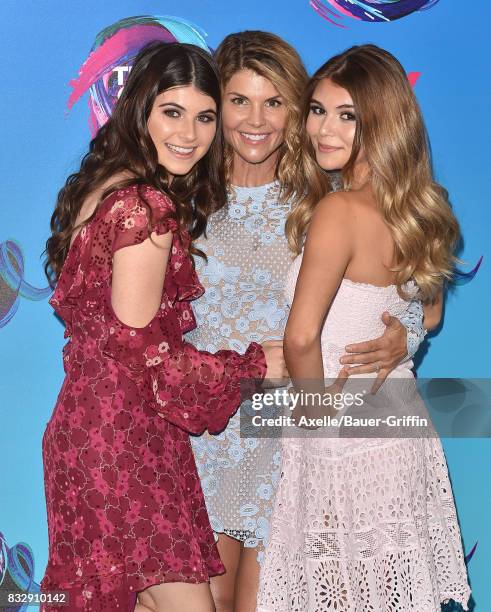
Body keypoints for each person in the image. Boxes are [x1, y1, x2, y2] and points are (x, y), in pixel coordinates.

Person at [41, 42, 286, 612]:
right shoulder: (144, 208)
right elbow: (144, 354)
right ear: (141, 110)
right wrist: (253, 366)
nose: (190, 134)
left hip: (96, 428)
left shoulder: (105, 186)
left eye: (204, 117)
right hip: (119, 442)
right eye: (172, 112)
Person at [188, 32, 427, 612]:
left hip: (289, 444)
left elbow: (415, 285)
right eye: (239, 100)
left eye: (274, 102)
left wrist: (405, 332)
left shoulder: (318, 198)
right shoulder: (185, 201)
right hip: (204, 442)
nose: (256, 120)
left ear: (295, 110)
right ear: (217, 108)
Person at [257, 44, 471, 611]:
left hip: (339, 436)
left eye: (347, 115)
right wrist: (403, 339)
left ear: (381, 120)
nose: (324, 129)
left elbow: (302, 338)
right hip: (398, 430)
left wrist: (311, 421)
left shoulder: (339, 211)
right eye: (318, 110)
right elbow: (428, 316)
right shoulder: (422, 207)